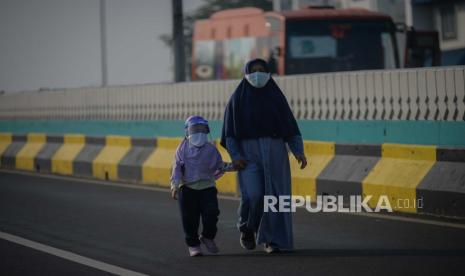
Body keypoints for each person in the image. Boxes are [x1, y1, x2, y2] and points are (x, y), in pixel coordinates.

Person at [220, 58, 308, 254]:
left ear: (269, 73)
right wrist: (235, 155)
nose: (258, 74)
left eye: (262, 70)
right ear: (246, 73)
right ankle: (246, 227)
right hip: (248, 154)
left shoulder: (276, 97)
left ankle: (272, 240)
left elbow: (290, 126)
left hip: (275, 152)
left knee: (275, 197)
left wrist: (298, 150)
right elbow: (230, 133)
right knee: (254, 195)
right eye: (254, 70)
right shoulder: (238, 98)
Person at [171, 115, 234, 257]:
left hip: (208, 188)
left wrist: (235, 166)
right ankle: (193, 245)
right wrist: (175, 185)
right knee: (189, 220)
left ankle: (207, 236)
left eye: (202, 129)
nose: (199, 132)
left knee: (212, 214)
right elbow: (177, 168)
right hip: (187, 189)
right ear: (187, 132)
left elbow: (220, 165)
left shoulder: (211, 150)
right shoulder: (181, 150)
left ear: (207, 130)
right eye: (195, 129)